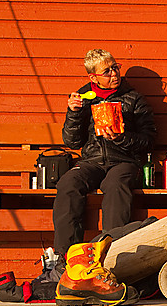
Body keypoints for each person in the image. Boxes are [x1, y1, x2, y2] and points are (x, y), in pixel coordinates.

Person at [54, 49, 156, 258]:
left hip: (124, 160)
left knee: (116, 185)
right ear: (93, 77)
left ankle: (112, 254)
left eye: (116, 68)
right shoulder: (83, 98)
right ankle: (65, 258)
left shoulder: (133, 98)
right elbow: (72, 142)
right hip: (92, 160)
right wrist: (74, 114)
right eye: (107, 71)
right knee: (68, 184)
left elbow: (149, 140)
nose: (115, 74)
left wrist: (122, 138)